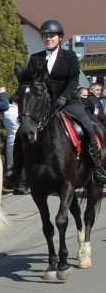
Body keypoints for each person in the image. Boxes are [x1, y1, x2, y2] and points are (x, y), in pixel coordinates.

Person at [15, 19, 106, 187]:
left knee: (87, 125)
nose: (48, 38)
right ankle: (16, 171)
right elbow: (32, 83)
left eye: (52, 36)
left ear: (60, 38)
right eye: (45, 36)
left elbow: (73, 80)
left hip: (67, 100)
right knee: (22, 131)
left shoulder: (69, 56)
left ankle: (96, 168)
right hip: (43, 105)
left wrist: (64, 97)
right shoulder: (36, 58)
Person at [2, 91, 21, 191]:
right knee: (19, 162)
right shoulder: (17, 111)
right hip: (18, 137)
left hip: (10, 137)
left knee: (11, 161)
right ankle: (18, 183)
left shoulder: (6, 111)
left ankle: (13, 182)